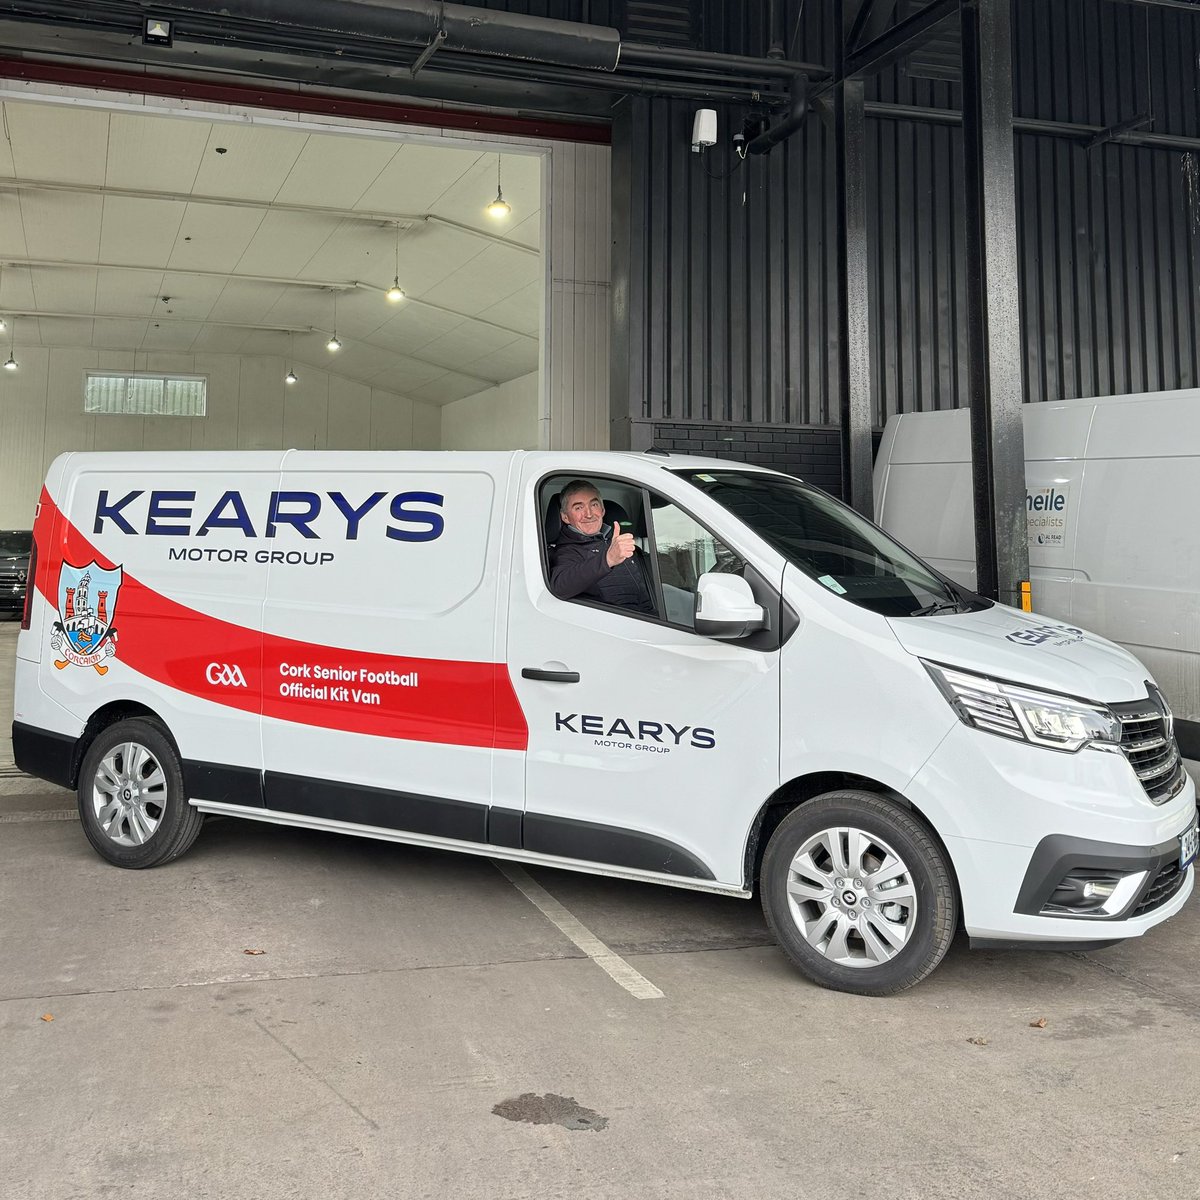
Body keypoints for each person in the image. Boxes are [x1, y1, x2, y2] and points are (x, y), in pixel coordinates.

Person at [548, 480, 656, 614]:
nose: (588, 514)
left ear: (603, 510)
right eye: (578, 508)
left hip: (649, 621)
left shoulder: (619, 544)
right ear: (565, 517)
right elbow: (559, 587)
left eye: (594, 505)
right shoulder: (566, 552)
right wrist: (608, 559)